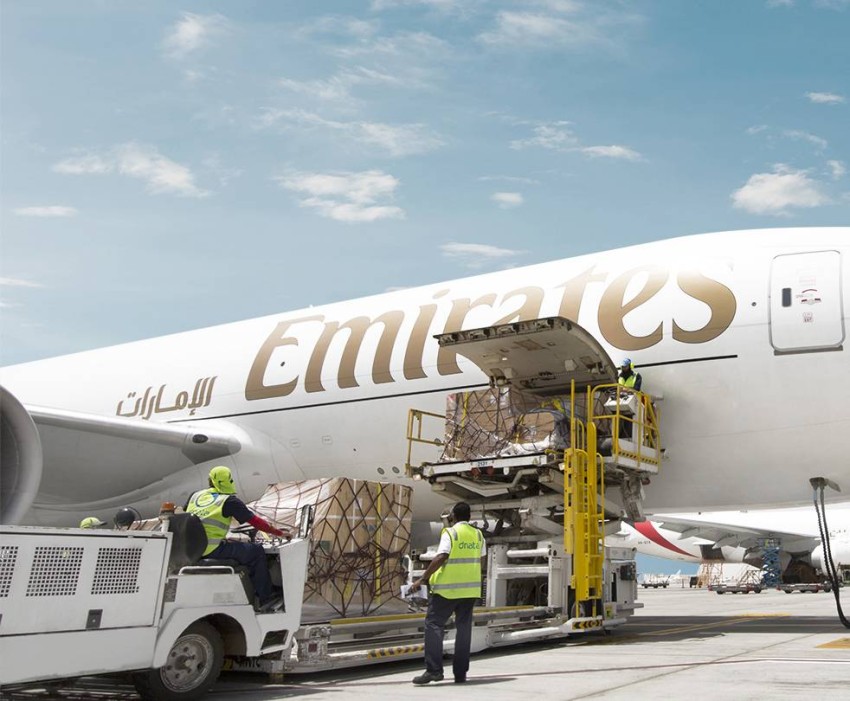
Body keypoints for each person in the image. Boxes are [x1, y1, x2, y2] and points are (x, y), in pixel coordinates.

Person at [186, 465, 291, 612]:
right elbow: (255, 522)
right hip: (212, 549)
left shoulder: (195, 496)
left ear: (210, 481)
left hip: (191, 550)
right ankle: (266, 597)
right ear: (229, 481)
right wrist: (278, 533)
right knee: (256, 551)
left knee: (238, 547)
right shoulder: (229, 501)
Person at [409, 501, 485, 685]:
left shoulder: (450, 533)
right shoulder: (478, 534)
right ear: (469, 517)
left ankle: (434, 670)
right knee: (464, 630)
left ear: (453, 517)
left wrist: (423, 579)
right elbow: (481, 560)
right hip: (470, 591)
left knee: (434, 625)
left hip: (447, 591)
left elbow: (442, 556)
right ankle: (460, 674)